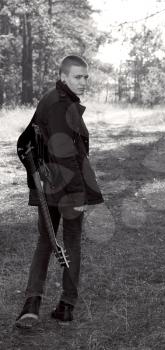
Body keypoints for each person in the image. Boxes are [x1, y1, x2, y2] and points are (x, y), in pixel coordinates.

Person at [15, 55, 104, 328]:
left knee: (49, 242)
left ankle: (40, 305)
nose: (83, 82)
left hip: (52, 183)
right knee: (66, 243)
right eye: (77, 77)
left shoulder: (56, 99)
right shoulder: (59, 105)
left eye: (86, 77)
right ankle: (60, 305)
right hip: (61, 186)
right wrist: (79, 197)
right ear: (64, 76)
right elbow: (65, 156)